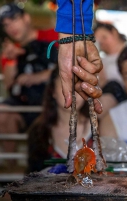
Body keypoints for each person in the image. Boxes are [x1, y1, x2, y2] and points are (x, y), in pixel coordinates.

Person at [0, 3, 58, 157]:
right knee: (3, 114)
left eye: (14, 19)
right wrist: (11, 60)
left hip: (52, 102)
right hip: (25, 104)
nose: (11, 26)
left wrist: (39, 76)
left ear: (26, 18)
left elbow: (71, 64)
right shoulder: (9, 51)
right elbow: (9, 86)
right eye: (5, 24)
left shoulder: (54, 36)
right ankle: (10, 166)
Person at [27, 68, 93, 173]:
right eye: (65, 85)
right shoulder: (39, 131)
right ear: (52, 91)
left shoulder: (98, 128)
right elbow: (33, 176)